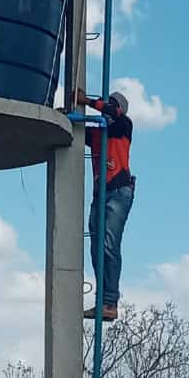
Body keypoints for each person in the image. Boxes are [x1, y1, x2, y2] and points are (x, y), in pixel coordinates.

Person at [75, 89, 135, 321]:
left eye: (111, 104)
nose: (107, 108)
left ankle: (110, 301)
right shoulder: (98, 133)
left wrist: (88, 101)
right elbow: (79, 130)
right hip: (101, 193)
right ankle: (104, 301)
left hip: (118, 190)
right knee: (97, 247)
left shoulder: (124, 126)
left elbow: (114, 112)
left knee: (109, 244)